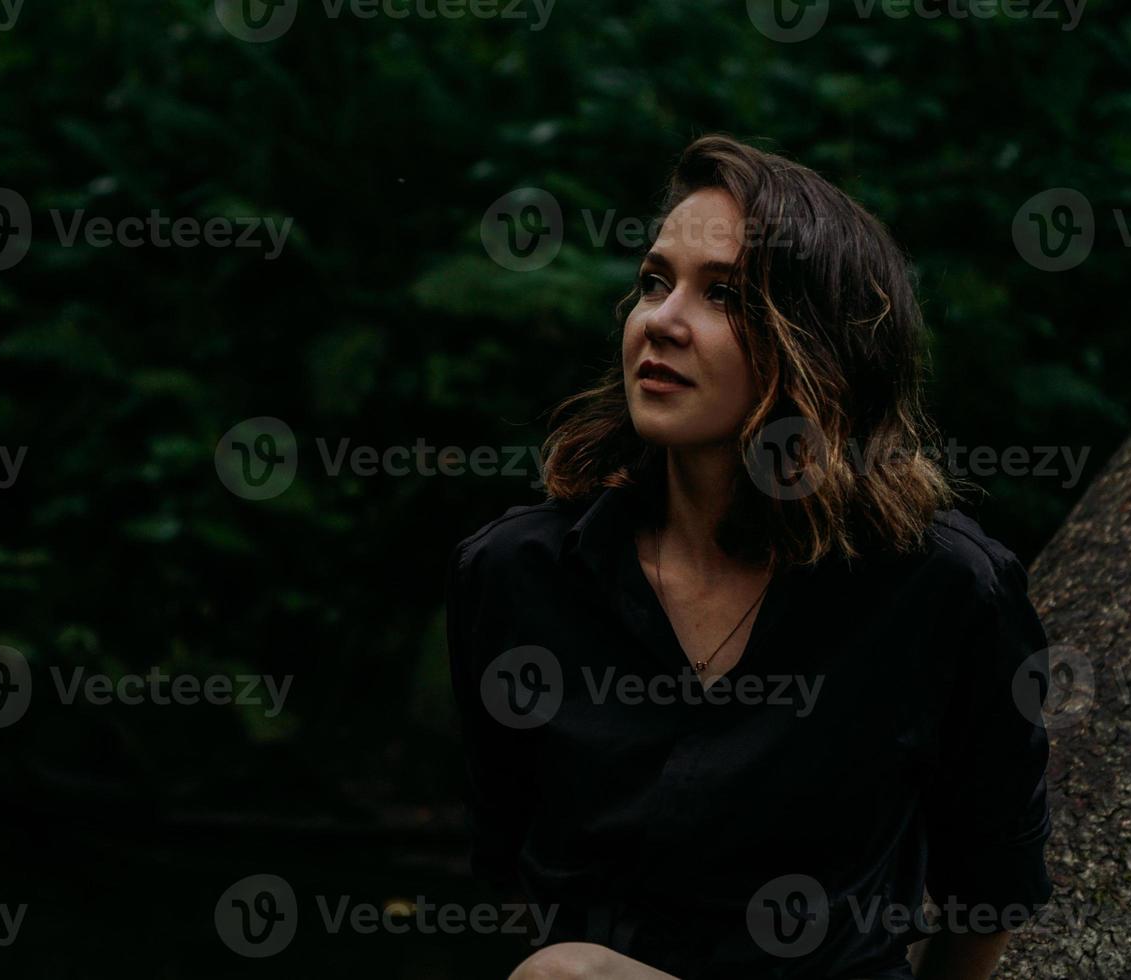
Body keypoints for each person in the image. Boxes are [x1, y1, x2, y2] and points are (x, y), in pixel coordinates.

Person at [447, 134, 1054, 979]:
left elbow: (989, 890)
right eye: (655, 282)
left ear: (820, 347)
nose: (661, 318)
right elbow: (512, 856)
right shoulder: (516, 575)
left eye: (725, 295)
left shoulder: (943, 589)